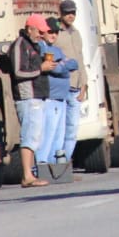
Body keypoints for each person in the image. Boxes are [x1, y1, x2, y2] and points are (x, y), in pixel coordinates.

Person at [9, 14, 56, 186]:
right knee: (29, 136)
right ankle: (27, 176)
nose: (42, 35)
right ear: (30, 29)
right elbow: (18, 72)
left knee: (36, 136)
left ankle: (31, 174)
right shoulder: (20, 45)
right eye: (39, 31)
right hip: (27, 97)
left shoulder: (35, 45)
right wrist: (41, 68)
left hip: (38, 96)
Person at [38, 17, 78, 167]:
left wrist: (63, 64)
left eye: (56, 32)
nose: (53, 35)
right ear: (42, 32)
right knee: (48, 136)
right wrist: (63, 64)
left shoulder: (56, 50)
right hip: (51, 98)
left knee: (58, 137)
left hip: (61, 98)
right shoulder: (43, 48)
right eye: (50, 32)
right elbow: (57, 68)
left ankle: (55, 168)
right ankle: (42, 166)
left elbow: (74, 63)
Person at [55, 0, 87, 162]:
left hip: (75, 88)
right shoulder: (55, 33)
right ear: (60, 13)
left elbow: (80, 59)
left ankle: (65, 163)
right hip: (61, 87)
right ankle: (56, 163)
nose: (70, 15)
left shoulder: (76, 33)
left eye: (73, 12)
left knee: (72, 128)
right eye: (67, 12)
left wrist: (84, 85)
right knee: (58, 129)